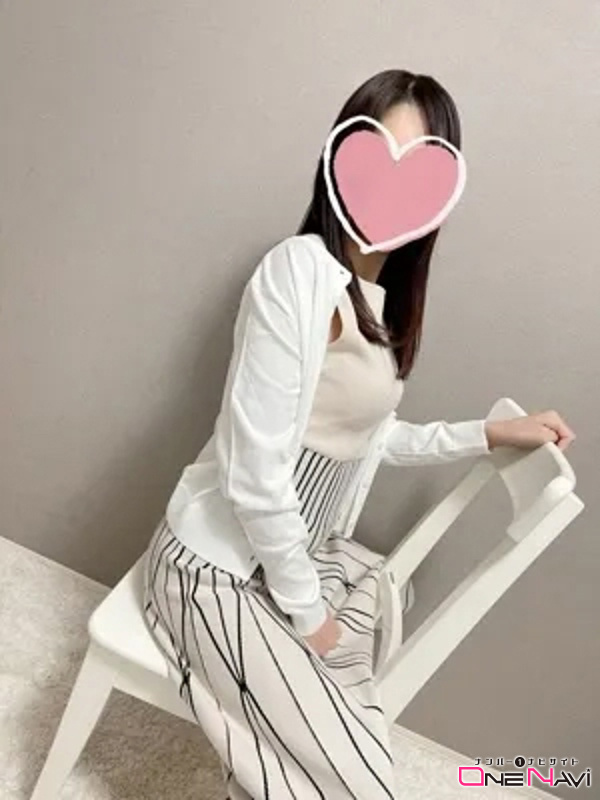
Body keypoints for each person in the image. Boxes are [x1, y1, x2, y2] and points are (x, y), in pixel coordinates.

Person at [142, 68, 575, 800]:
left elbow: (370, 438)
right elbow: (254, 472)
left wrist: (488, 433)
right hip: (215, 574)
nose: (391, 189)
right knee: (363, 778)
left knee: (361, 655)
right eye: (379, 159)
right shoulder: (297, 272)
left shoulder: (375, 303)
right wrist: (308, 612)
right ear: (339, 159)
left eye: (418, 169)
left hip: (292, 566)